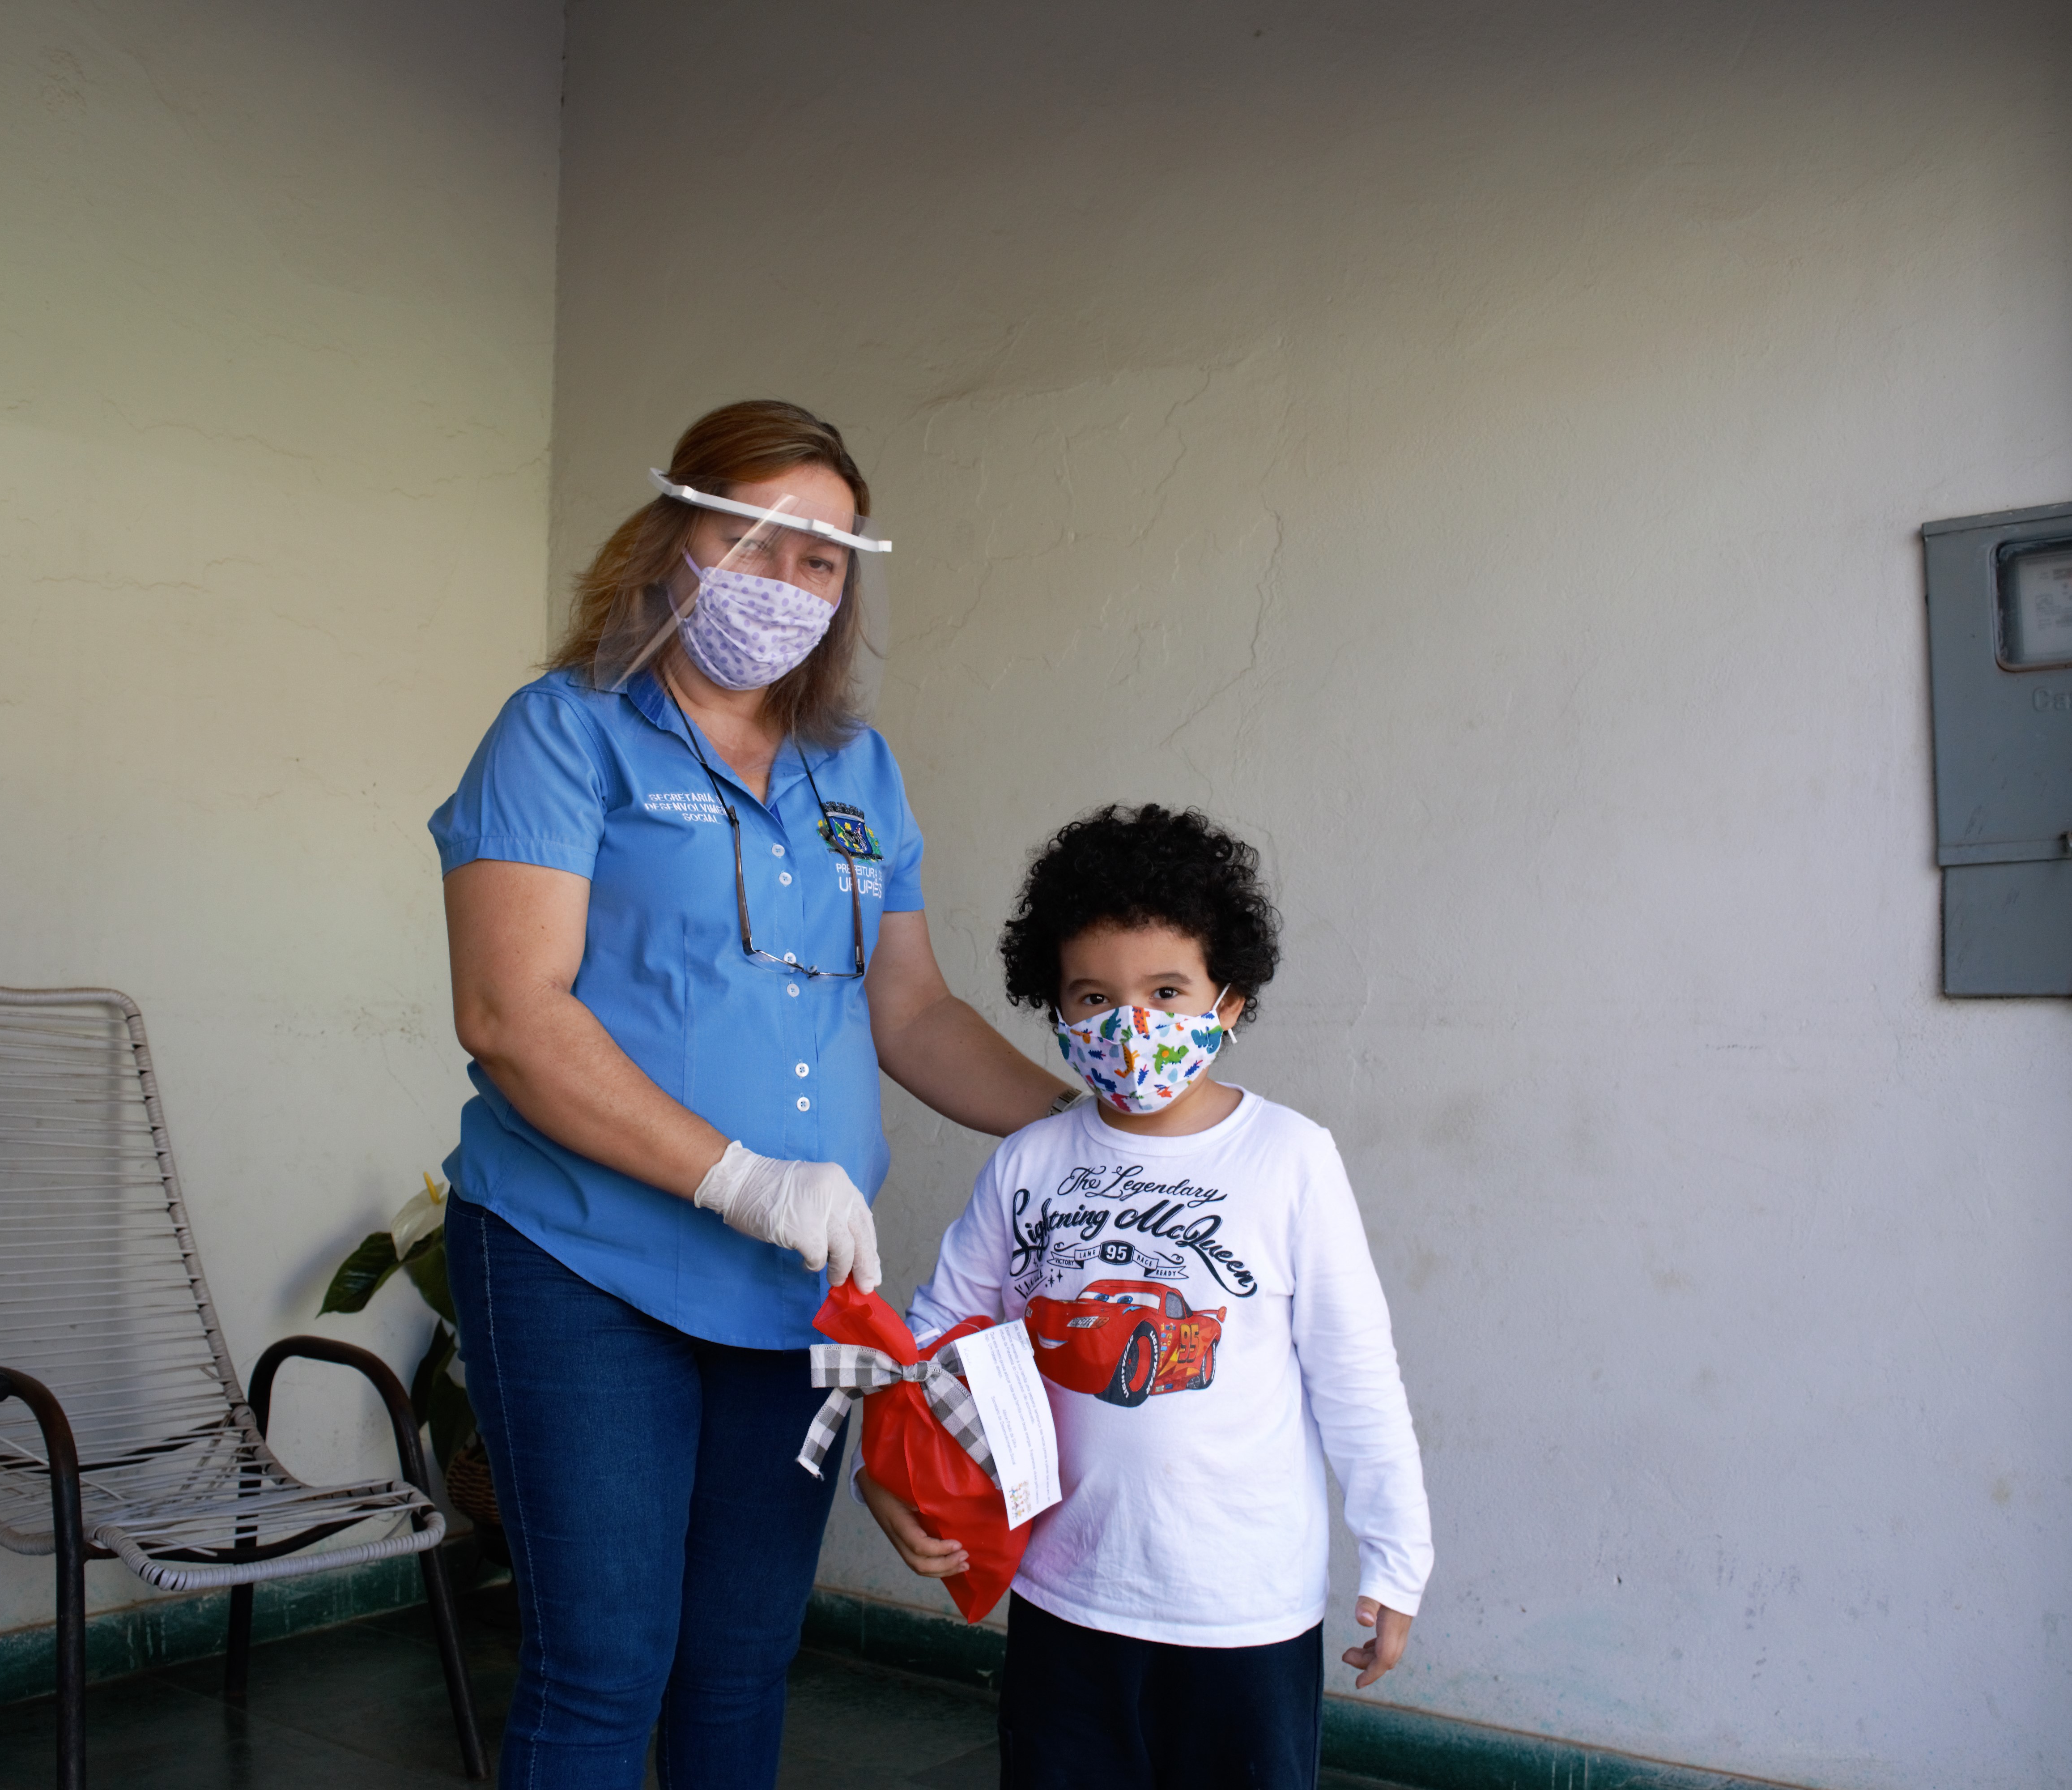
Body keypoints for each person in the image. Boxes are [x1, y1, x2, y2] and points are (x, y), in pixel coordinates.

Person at [430, 400, 1076, 1789]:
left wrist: (1084, 1125)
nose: (789, 582)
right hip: (579, 1260)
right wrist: (744, 1177)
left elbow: (912, 1010)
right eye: (757, 538)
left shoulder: (858, 770)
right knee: (603, 1670)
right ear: (674, 538)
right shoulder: (563, 735)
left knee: (738, 1664)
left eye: (825, 559)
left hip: (793, 1293)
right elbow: (509, 1014)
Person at [859, 804, 1434, 1790]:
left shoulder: (1287, 1157)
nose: (1129, 1024)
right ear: (1054, 1005)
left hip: (1242, 1613)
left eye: (1167, 989)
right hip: (1064, 1598)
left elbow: (1353, 1372)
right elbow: (931, 1338)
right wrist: (885, 1476)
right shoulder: (1031, 1159)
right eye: (1092, 995)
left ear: (1230, 999)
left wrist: (1396, 1554)